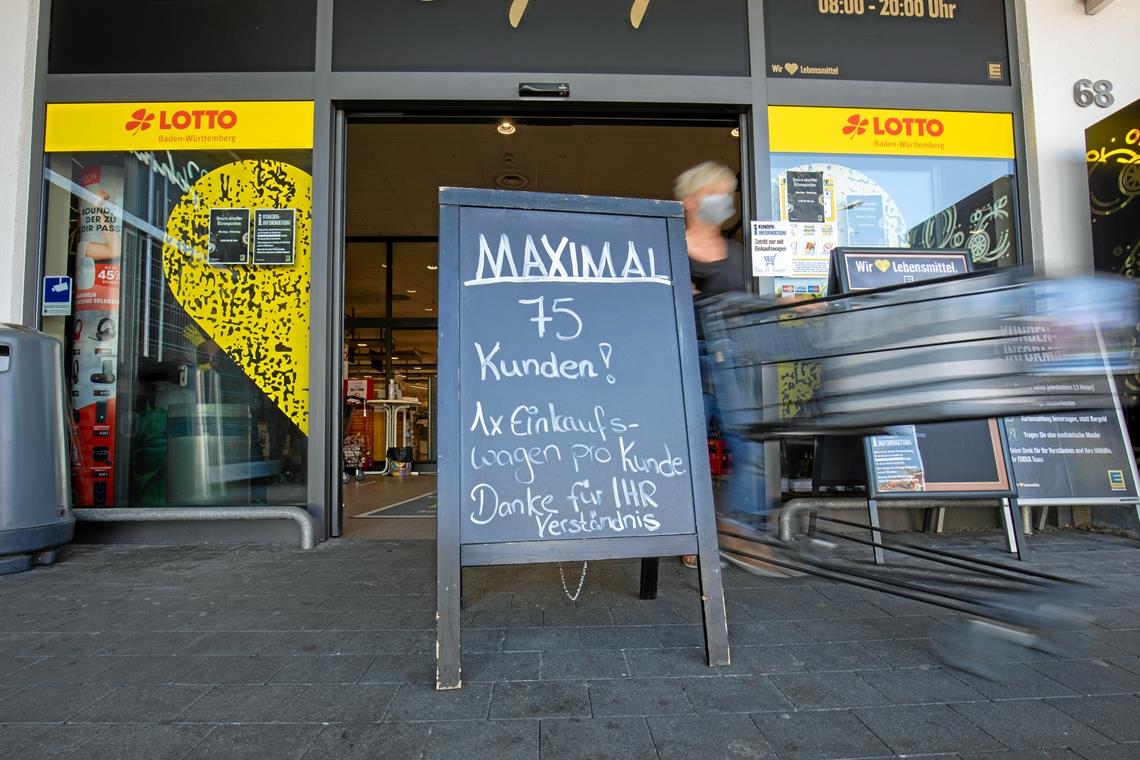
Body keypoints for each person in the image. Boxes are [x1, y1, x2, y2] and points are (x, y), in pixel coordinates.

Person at [674, 161, 787, 576]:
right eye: (715, 192)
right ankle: (693, 536)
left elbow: (735, 309)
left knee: (749, 445)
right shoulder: (670, 245)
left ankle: (740, 529)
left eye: (728, 192)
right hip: (689, 358)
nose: (725, 201)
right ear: (690, 200)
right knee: (690, 454)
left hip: (731, 360)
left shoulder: (736, 253)